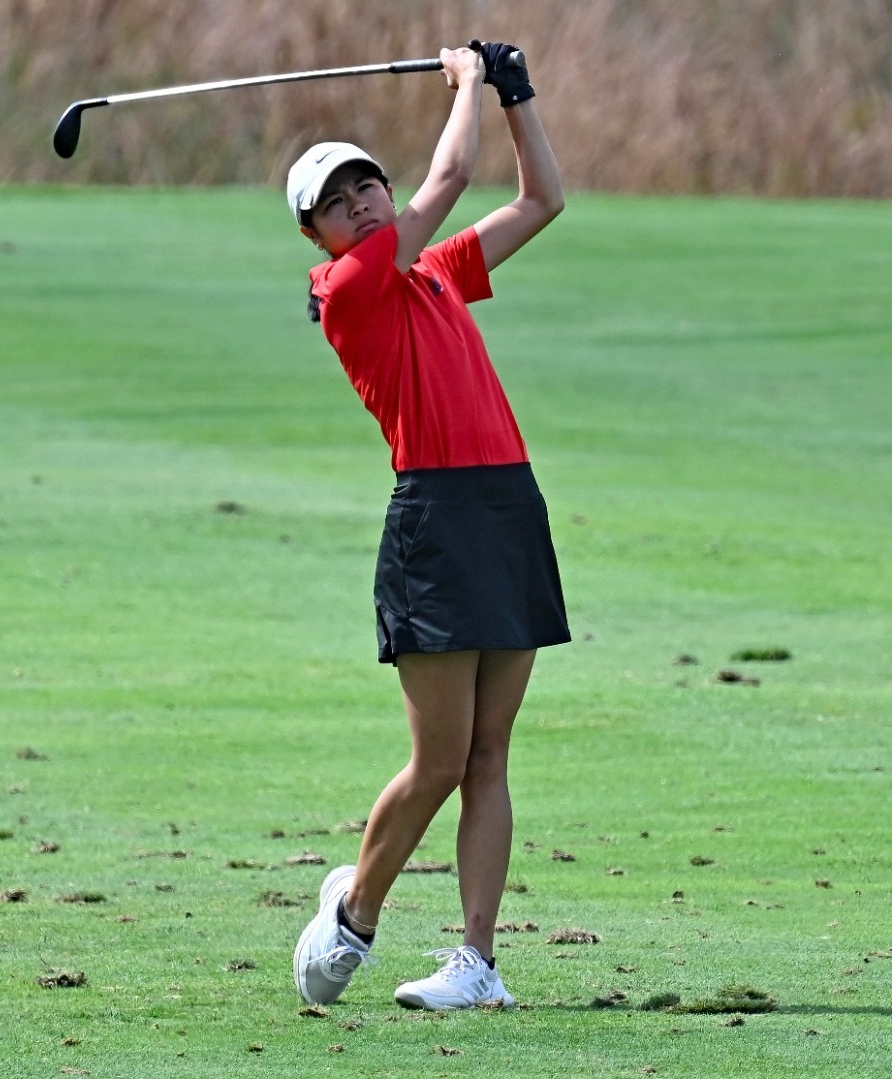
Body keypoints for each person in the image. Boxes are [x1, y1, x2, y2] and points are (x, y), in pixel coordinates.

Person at [285, 40, 567, 1011]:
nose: (361, 200)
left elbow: (540, 202)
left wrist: (516, 94)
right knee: (439, 757)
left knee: (490, 753)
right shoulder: (347, 291)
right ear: (318, 235)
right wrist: (469, 83)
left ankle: (478, 962)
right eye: (339, 200)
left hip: (507, 505)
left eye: (368, 183)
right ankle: (354, 911)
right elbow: (450, 173)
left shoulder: (436, 275)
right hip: (437, 519)